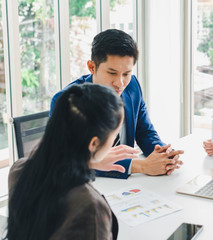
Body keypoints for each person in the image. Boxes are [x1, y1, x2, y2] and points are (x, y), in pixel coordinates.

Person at [6, 84, 138, 240]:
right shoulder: (90, 207)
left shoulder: (19, 170)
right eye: (114, 136)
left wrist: (88, 161)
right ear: (94, 144)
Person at [50, 29, 183, 179]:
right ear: (92, 67)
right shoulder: (67, 101)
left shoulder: (132, 86)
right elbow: (69, 158)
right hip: (88, 184)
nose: (120, 83)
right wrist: (140, 166)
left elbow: (145, 132)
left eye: (126, 73)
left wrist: (163, 154)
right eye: (112, 73)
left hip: (129, 186)